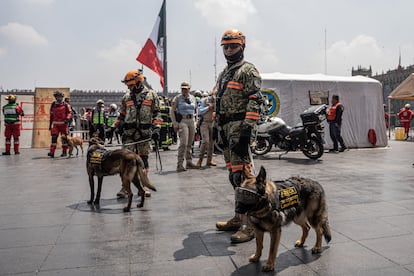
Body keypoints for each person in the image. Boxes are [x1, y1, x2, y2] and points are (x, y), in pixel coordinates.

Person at [214, 29, 263, 243]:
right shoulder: (225, 72)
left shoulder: (248, 70)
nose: (229, 50)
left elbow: (255, 100)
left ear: (242, 46)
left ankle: (249, 226)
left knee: (245, 180)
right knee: (234, 178)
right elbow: (219, 101)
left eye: (233, 46)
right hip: (226, 129)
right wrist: (217, 127)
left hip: (240, 128)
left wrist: (246, 131)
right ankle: (238, 217)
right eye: (226, 46)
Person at [116, 69, 162, 198]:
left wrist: (157, 128)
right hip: (129, 133)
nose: (128, 87)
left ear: (138, 81)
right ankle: (125, 188)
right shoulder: (126, 97)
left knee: (143, 160)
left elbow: (157, 113)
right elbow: (122, 114)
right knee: (125, 161)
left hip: (145, 132)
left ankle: (143, 187)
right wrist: (117, 125)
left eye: (130, 84)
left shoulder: (152, 95)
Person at [170, 81, 199, 172]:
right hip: (182, 121)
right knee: (183, 143)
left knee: (190, 143)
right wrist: (175, 123)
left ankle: (189, 162)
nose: (184, 90)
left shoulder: (192, 98)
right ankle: (180, 164)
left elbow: (195, 110)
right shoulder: (177, 98)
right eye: (183, 89)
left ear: (189, 89)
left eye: (186, 89)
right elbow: (172, 111)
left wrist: (195, 121)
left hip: (191, 120)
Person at [48, 91, 72, 158]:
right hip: (55, 124)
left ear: (62, 97)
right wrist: (50, 125)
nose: (59, 98)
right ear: (55, 97)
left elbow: (70, 113)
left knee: (64, 139)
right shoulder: (53, 105)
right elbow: (51, 116)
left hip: (63, 124)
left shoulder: (66, 104)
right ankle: (52, 152)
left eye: (60, 97)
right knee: (54, 138)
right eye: (57, 97)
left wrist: (67, 118)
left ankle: (64, 152)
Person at [196, 91, 216, 167]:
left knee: (211, 143)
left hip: (212, 123)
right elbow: (199, 111)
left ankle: (209, 160)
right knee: (205, 141)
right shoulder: (204, 100)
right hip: (204, 122)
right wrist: (208, 107)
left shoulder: (217, 102)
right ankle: (200, 160)